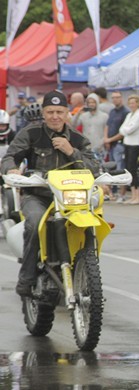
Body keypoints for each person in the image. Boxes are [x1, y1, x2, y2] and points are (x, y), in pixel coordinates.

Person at [1, 90, 97, 296]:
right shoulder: (31, 133)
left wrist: (71, 151)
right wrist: (12, 169)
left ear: (67, 113)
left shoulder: (78, 139)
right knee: (35, 222)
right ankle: (26, 277)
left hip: (71, 197)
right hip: (38, 195)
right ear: (43, 113)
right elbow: (9, 157)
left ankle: (87, 272)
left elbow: (95, 167)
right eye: (50, 111)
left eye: (59, 112)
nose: (55, 116)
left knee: (92, 221)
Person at [111, 94, 139, 204]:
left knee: (133, 168)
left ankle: (138, 195)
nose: (131, 105)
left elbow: (129, 130)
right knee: (128, 169)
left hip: (135, 143)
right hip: (127, 143)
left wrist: (125, 130)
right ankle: (133, 194)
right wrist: (125, 130)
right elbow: (122, 128)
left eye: (133, 103)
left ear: (137, 103)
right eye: (130, 103)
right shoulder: (130, 115)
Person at [102, 90, 130, 200]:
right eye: (113, 97)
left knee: (120, 169)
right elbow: (107, 126)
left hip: (119, 144)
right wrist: (106, 139)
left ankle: (122, 194)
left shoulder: (125, 112)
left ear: (121, 98)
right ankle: (110, 193)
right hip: (110, 145)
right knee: (110, 170)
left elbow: (123, 132)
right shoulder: (112, 111)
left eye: (117, 97)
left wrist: (110, 139)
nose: (115, 99)